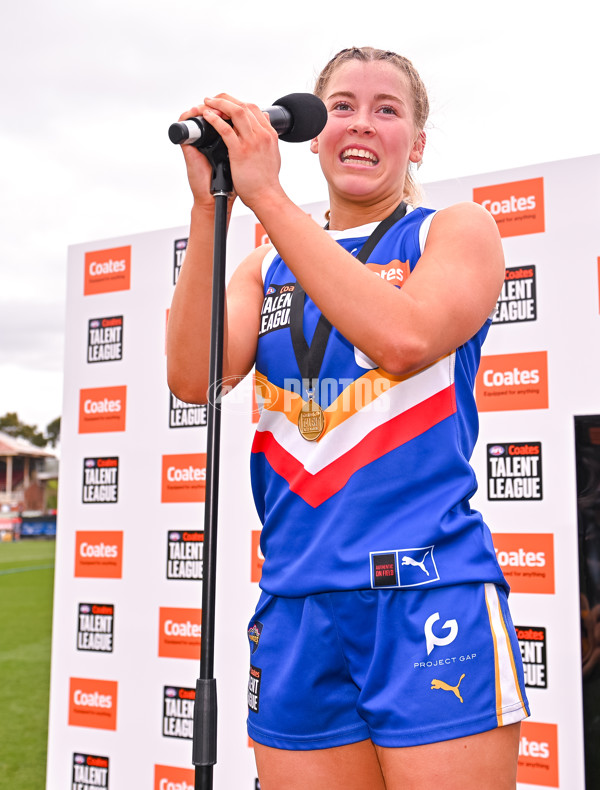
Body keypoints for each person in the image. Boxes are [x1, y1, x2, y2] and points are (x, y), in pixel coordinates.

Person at [167, 46, 530, 790]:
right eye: (342, 107)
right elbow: (192, 379)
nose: (362, 123)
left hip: (429, 595)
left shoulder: (453, 230)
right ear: (314, 131)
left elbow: (403, 339)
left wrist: (268, 200)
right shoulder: (263, 263)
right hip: (298, 603)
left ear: (417, 143)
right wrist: (213, 209)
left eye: (387, 109)